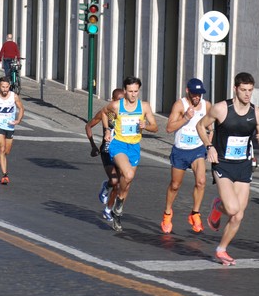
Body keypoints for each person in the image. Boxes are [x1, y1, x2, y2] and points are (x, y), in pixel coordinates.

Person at [196, 72, 259, 266]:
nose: (247, 94)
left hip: (244, 166)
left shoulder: (256, 113)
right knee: (232, 208)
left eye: (250, 90)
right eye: (244, 90)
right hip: (222, 164)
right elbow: (200, 125)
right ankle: (218, 207)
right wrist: (209, 146)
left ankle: (221, 249)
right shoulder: (221, 109)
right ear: (235, 89)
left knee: (238, 214)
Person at [101, 76, 159, 232]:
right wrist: (107, 130)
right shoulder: (116, 105)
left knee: (126, 184)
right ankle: (117, 205)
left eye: (136, 91)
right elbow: (104, 113)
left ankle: (117, 211)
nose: (133, 95)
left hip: (134, 147)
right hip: (118, 144)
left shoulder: (144, 106)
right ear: (125, 91)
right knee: (128, 174)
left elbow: (155, 127)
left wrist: (145, 125)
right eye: (130, 91)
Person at [161, 78, 212, 234]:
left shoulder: (206, 105)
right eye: (195, 94)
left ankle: (195, 213)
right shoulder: (180, 105)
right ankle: (167, 213)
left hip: (197, 149)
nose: (197, 97)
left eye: (200, 94)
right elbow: (169, 128)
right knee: (175, 185)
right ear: (188, 91)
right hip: (180, 150)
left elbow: (211, 125)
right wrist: (186, 118)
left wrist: (209, 142)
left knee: (201, 181)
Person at [85, 88, 125, 223]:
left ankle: (108, 210)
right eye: (118, 100)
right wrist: (93, 146)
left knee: (118, 185)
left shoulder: (127, 115)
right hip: (107, 151)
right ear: (112, 101)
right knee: (115, 181)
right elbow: (88, 126)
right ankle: (106, 186)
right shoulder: (106, 113)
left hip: (121, 152)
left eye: (123, 100)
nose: (121, 103)